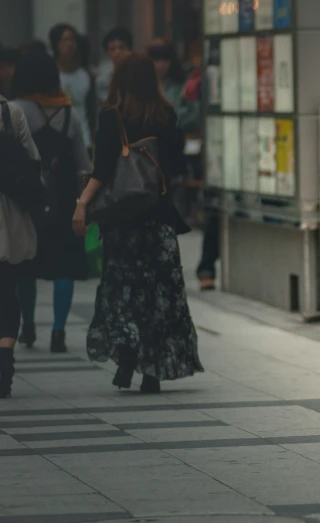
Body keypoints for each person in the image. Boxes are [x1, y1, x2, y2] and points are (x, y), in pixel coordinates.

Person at [72, 52, 203, 393]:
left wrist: (82, 204)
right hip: (158, 217)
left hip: (123, 220)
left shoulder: (112, 117)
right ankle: (152, 370)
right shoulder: (166, 115)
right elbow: (173, 167)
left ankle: (128, 355)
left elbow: (102, 170)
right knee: (157, 293)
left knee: (124, 290)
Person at [12, 51, 92, 353]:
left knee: (25, 266)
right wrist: (83, 202)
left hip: (27, 201)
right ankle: (58, 331)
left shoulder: (17, 109)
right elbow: (84, 163)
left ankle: (28, 326)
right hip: (63, 203)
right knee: (64, 267)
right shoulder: (69, 114)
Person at [0, 94, 41, 398]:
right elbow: (32, 159)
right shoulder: (10, 111)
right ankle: (4, 365)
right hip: (7, 213)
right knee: (6, 290)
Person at [49, 24, 96, 157]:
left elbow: (91, 112)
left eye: (73, 39)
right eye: (65, 40)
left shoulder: (86, 75)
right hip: (58, 141)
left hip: (84, 140)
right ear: (56, 44)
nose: (70, 44)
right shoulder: (51, 74)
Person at [146, 40, 198, 133]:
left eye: (165, 60)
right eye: (156, 60)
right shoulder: (143, 87)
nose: (161, 65)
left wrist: (177, 121)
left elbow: (193, 112)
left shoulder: (179, 86)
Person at [96, 27, 133, 105]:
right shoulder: (101, 75)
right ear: (107, 52)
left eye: (122, 47)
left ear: (130, 49)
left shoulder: (137, 71)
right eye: (112, 49)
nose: (118, 52)